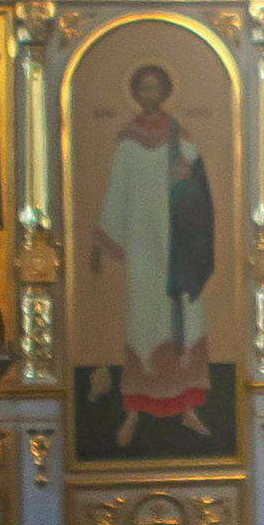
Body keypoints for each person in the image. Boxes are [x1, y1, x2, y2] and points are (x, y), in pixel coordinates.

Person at [91, 60, 214, 443]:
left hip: (177, 246)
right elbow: (117, 194)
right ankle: (133, 412)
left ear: (164, 93)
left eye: (155, 88)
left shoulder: (181, 137)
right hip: (144, 248)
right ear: (136, 93)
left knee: (185, 319)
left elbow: (197, 185)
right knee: (143, 320)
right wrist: (102, 241)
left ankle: (188, 409)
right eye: (142, 88)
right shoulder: (127, 143)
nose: (149, 95)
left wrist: (188, 183)